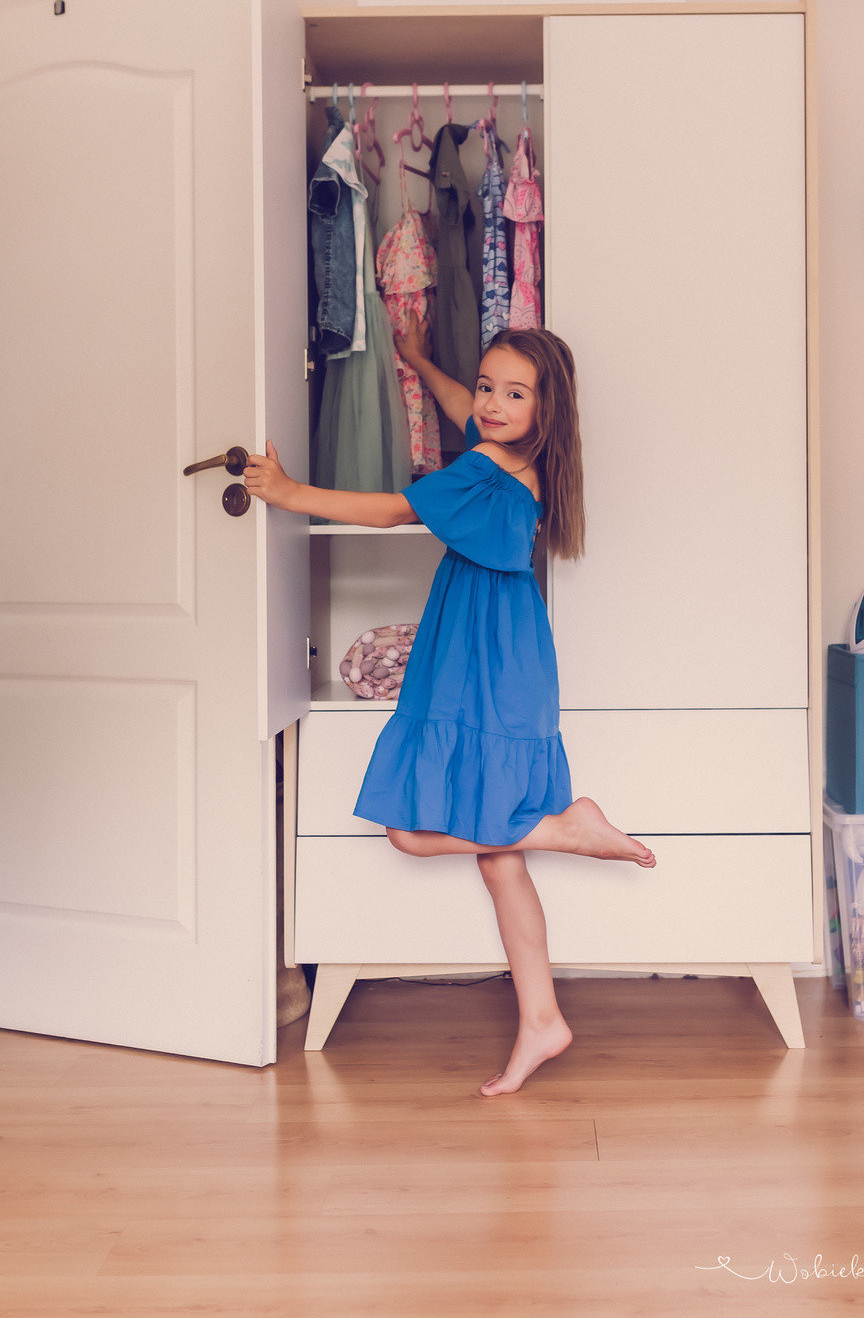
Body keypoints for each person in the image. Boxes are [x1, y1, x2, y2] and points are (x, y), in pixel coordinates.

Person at [243, 319, 656, 1097]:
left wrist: (292, 495)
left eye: (514, 394)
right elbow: (467, 402)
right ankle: (543, 1019)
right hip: (501, 651)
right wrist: (423, 361)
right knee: (500, 860)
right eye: (491, 386)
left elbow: (399, 510)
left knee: (409, 832)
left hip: (483, 663)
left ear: (548, 407)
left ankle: (569, 828)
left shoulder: (489, 470)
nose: (492, 405)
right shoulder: (527, 455)